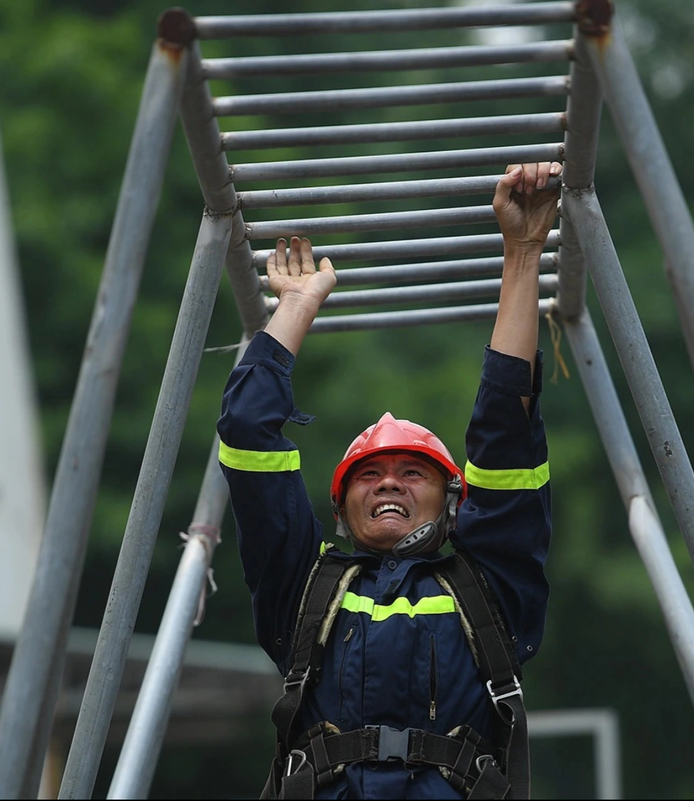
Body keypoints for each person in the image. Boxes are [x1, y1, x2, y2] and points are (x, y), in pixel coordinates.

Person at [217, 162, 561, 800]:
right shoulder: (302, 590)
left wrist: (523, 252)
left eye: (411, 473)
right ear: (342, 508)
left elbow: (505, 435)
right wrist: (294, 306)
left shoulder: (491, 589)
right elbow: (246, 433)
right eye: (369, 475)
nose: (389, 485)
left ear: (453, 503)